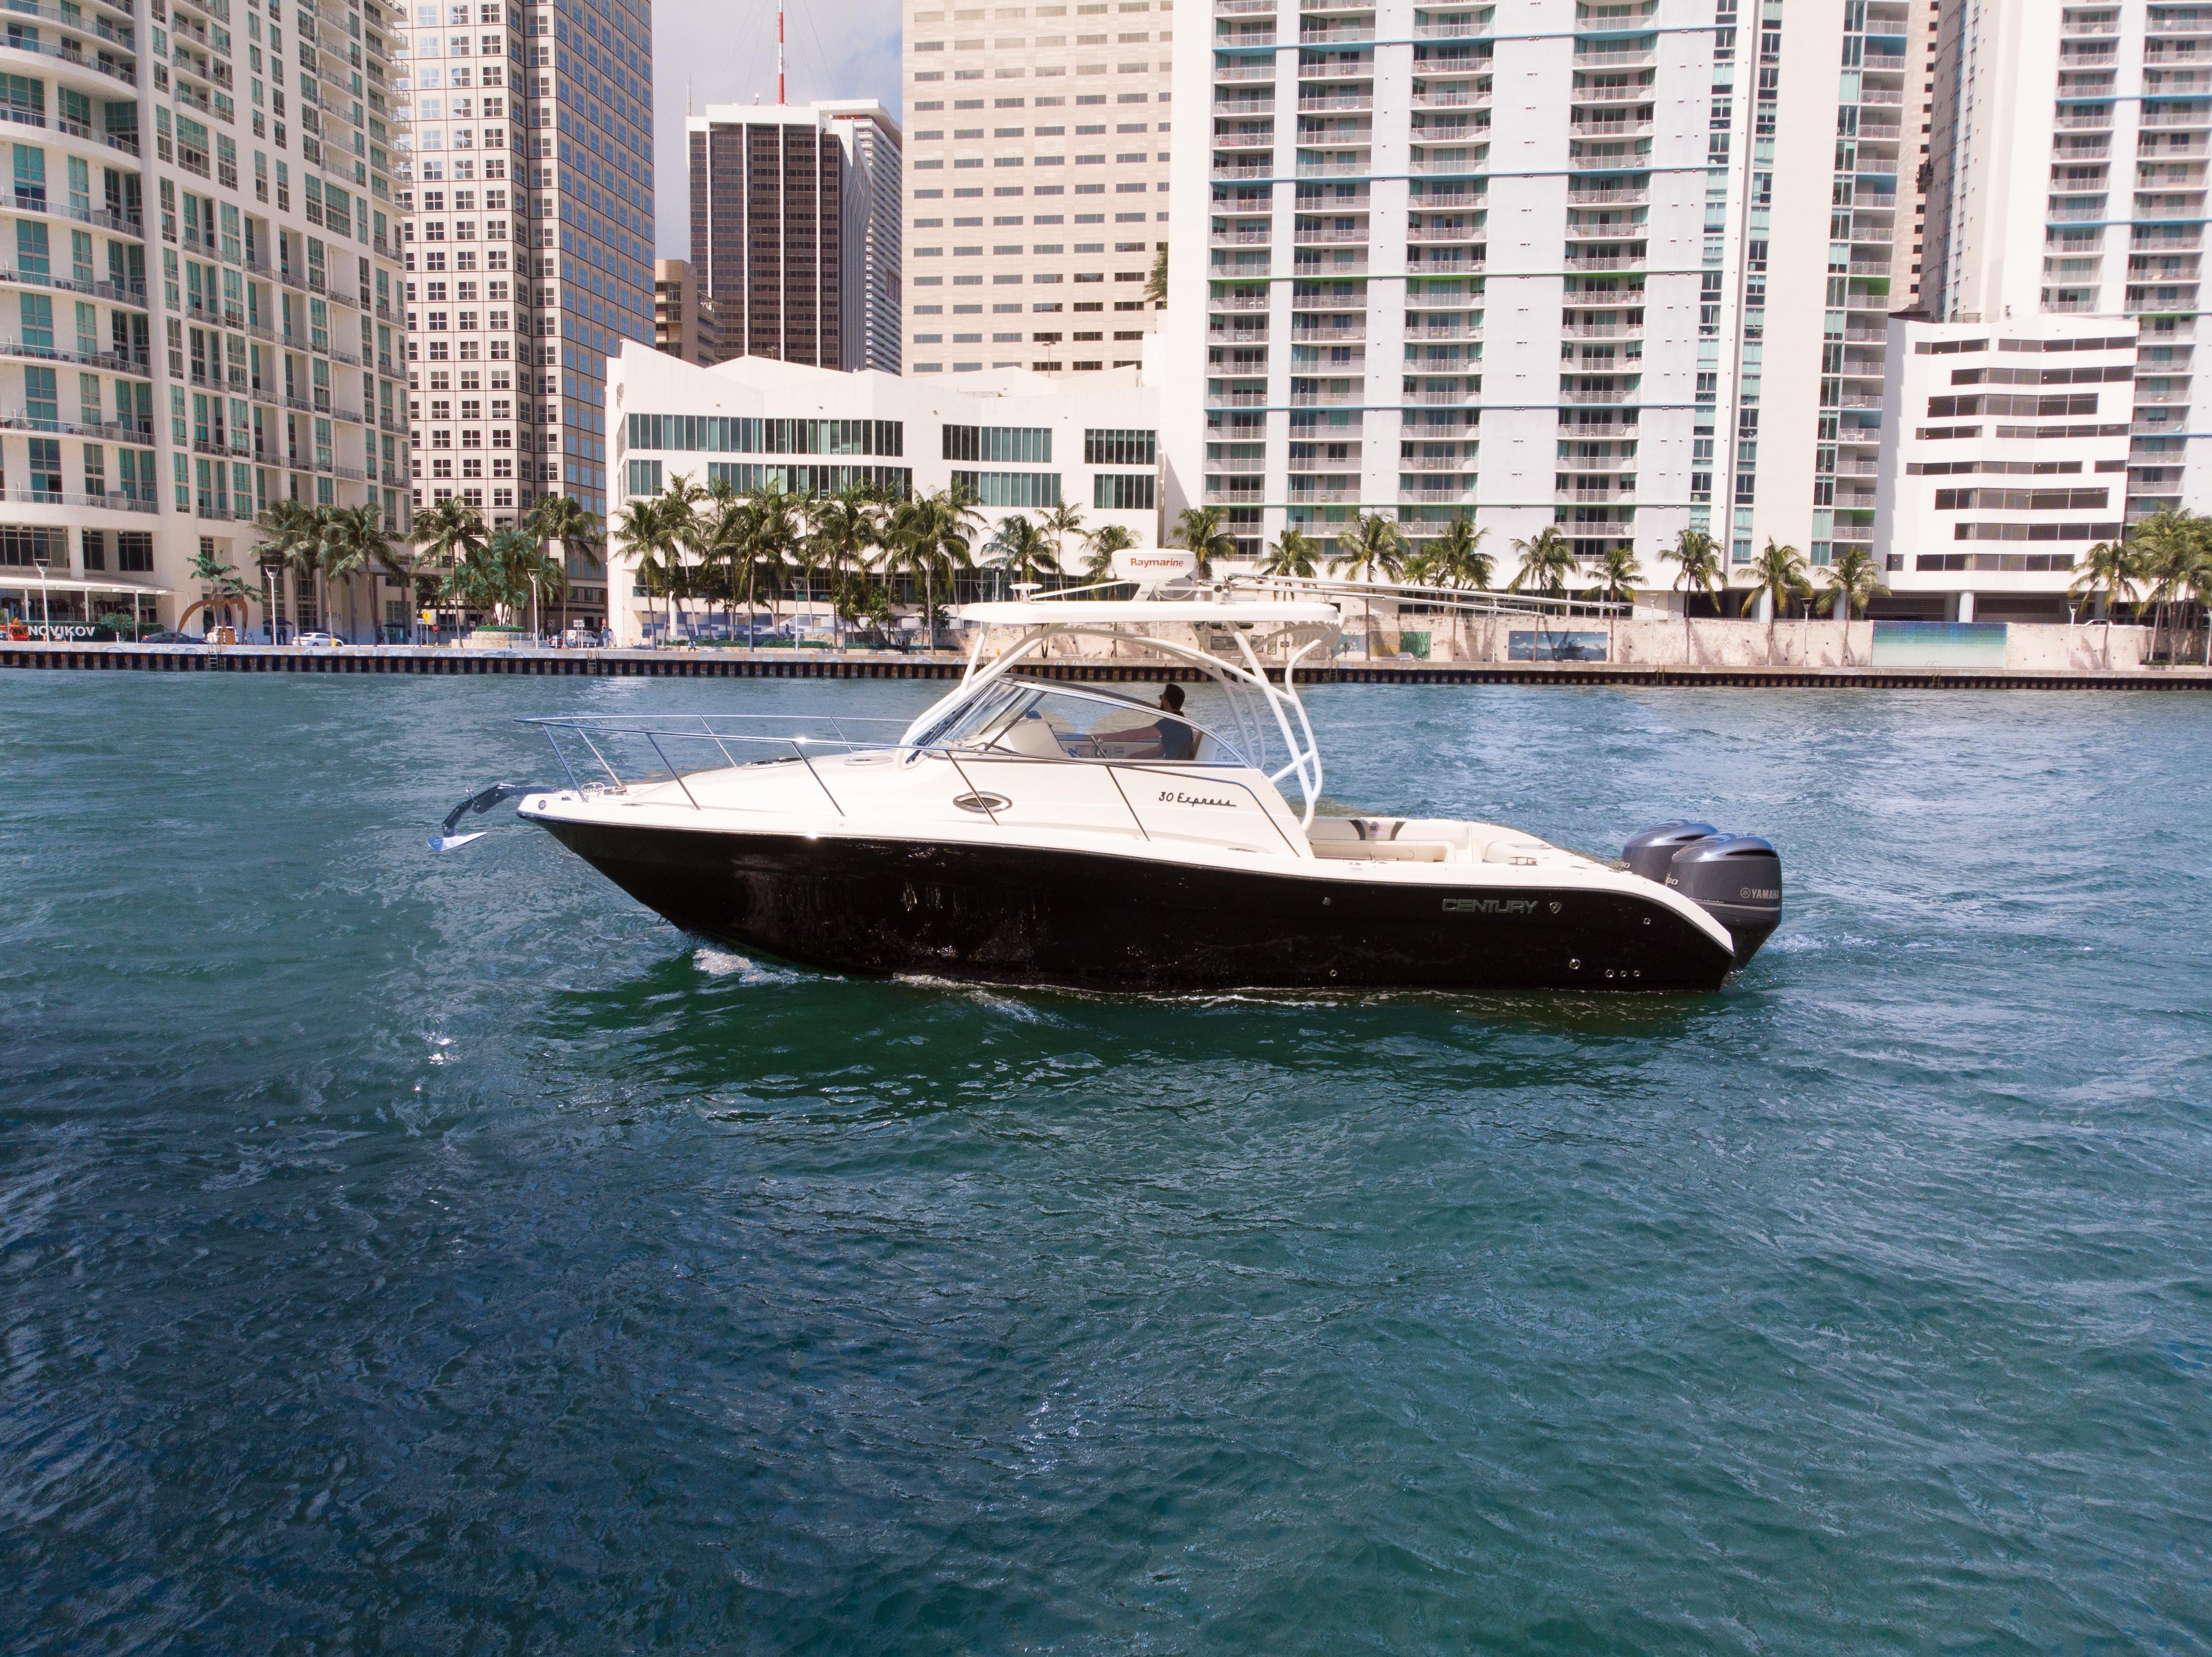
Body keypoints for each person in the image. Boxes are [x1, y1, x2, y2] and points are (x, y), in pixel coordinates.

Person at [1154, 683, 1196, 761]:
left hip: (1171, 767)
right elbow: (1159, 751)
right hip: (1175, 765)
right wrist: (1135, 755)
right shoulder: (1181, 722)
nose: (1161, 701)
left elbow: (1135, 735)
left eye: (1162, 698)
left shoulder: (1169, 723)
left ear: (1166, 703)